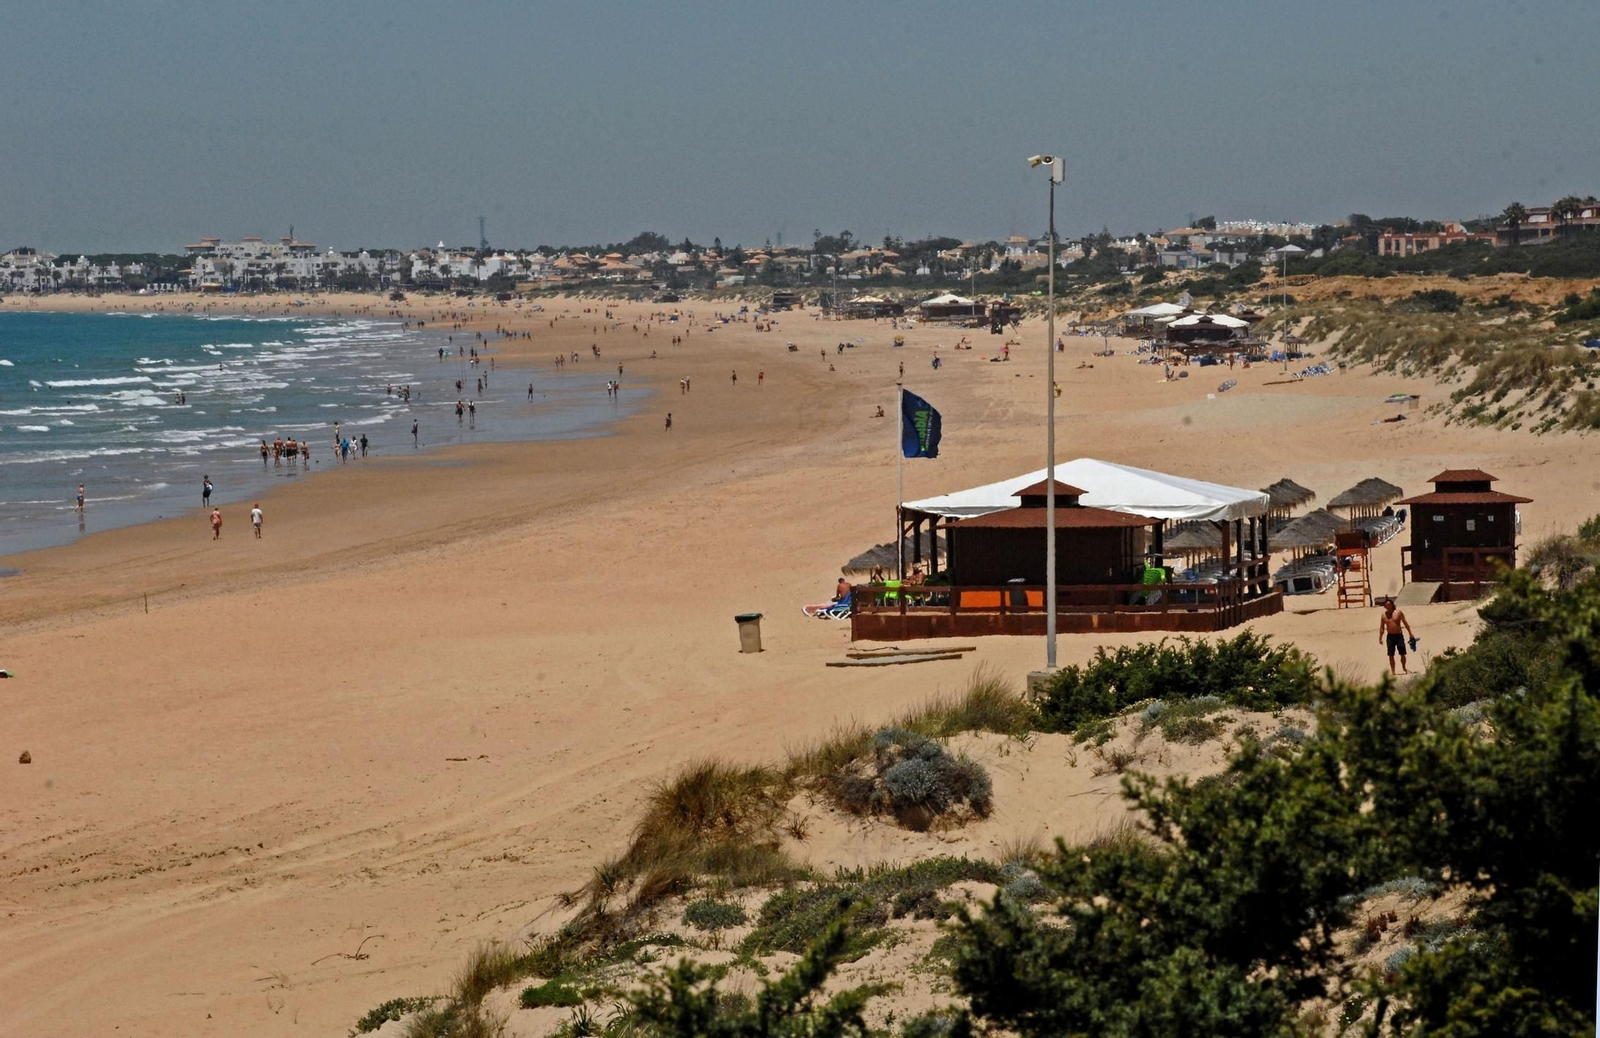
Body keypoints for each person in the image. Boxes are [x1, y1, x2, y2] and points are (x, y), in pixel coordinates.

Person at [1378, 598, 1416, 675]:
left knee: (1402, 653)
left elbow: (1405, 623)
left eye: (1389, 605)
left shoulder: (1398, 612)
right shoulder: (1383, 615)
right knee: (1391, 654)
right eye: (1386, 605)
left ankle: (1404, 667)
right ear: (1385, 606)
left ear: (1392, 605)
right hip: (1390, 637)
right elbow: (1382, 627)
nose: (1388, 606)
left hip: (1399, 636)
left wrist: (1410, 633)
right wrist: (1380, 638)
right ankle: (1393, 671)